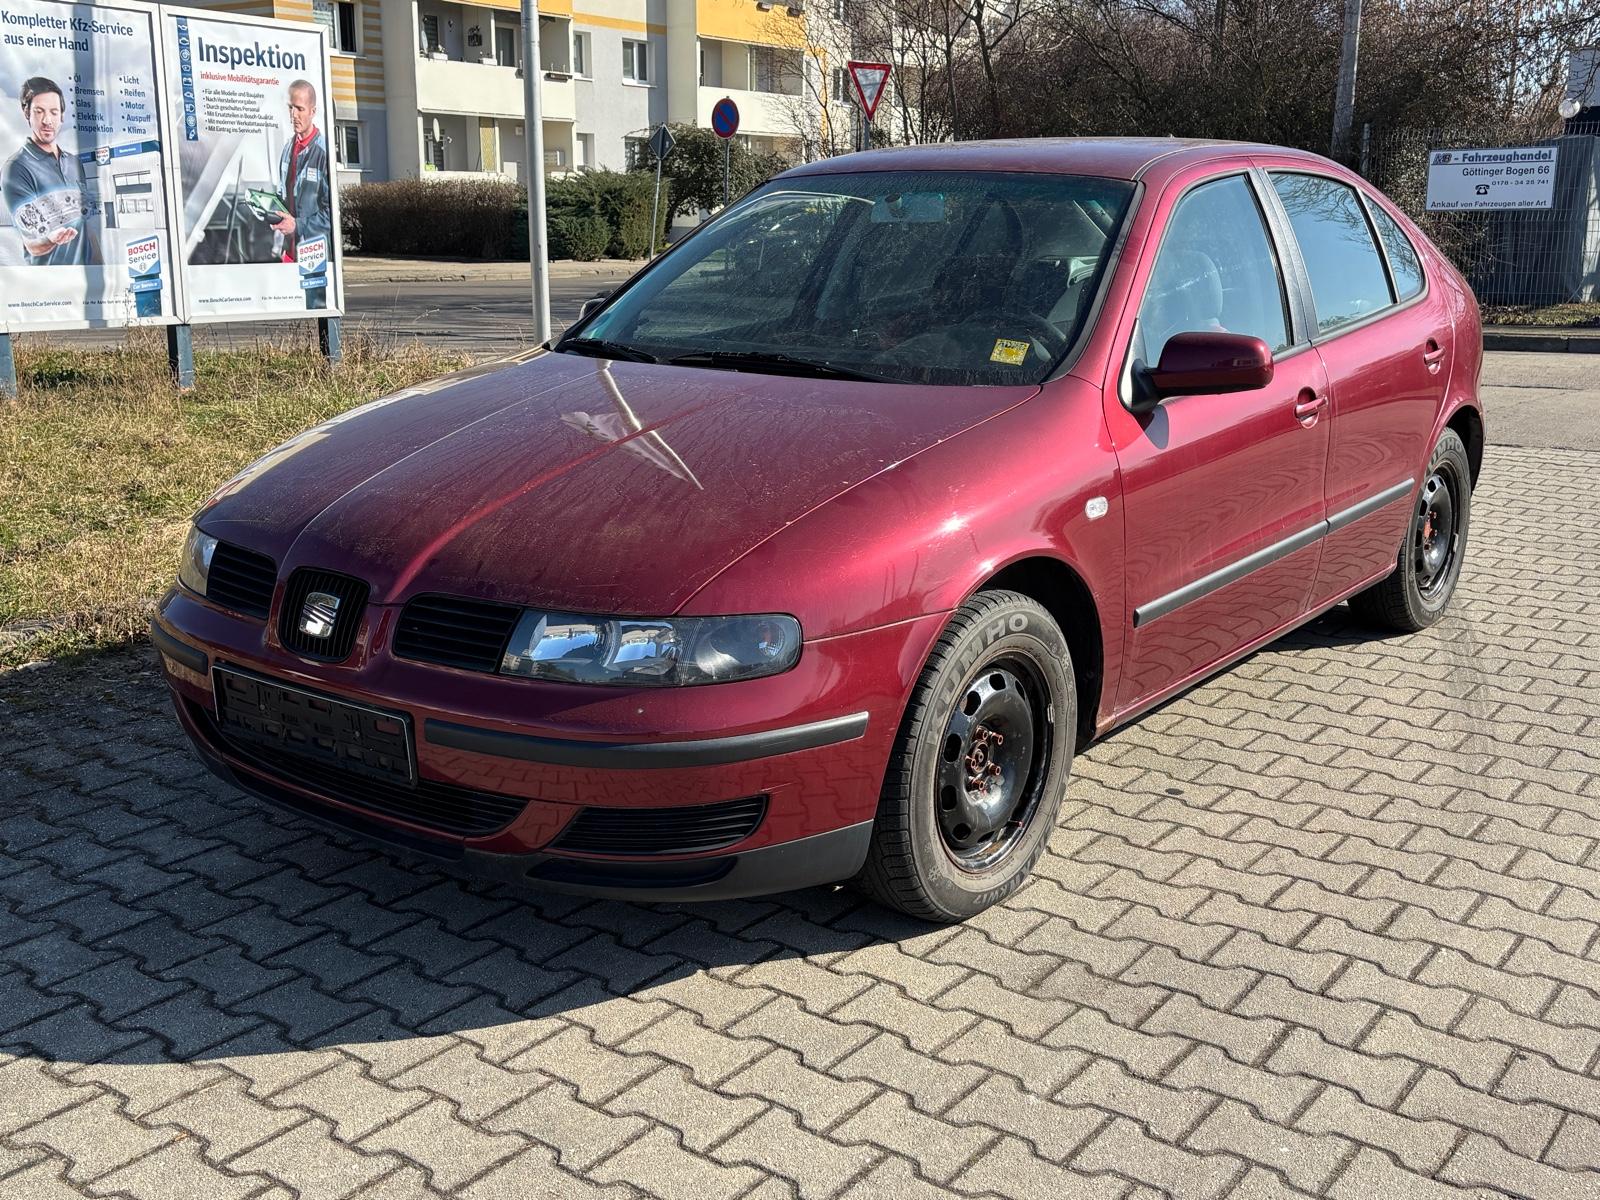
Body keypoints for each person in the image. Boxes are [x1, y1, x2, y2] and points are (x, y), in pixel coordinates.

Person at [2, 76, 97, 266]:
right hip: (50, 284)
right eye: (39, 112)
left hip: (86, 280)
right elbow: (31, 243)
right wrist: (50, 239)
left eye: (54, 112)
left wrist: (100, 265)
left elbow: (84, 223)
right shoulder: (16, 168)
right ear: (26, 113)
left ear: (62, 115)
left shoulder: (74, 163)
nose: (47, 120)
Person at [271, 79, 331, 306]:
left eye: (300, 109)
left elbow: (330, 214)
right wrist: (272, 210)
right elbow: (283, 195)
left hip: (314, 257)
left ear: (313, 111)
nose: (294, 115)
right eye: (290, 108)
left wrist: (298, 225)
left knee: (315, 311)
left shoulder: (322, 152)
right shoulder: (288, 148)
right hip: (289, 253)